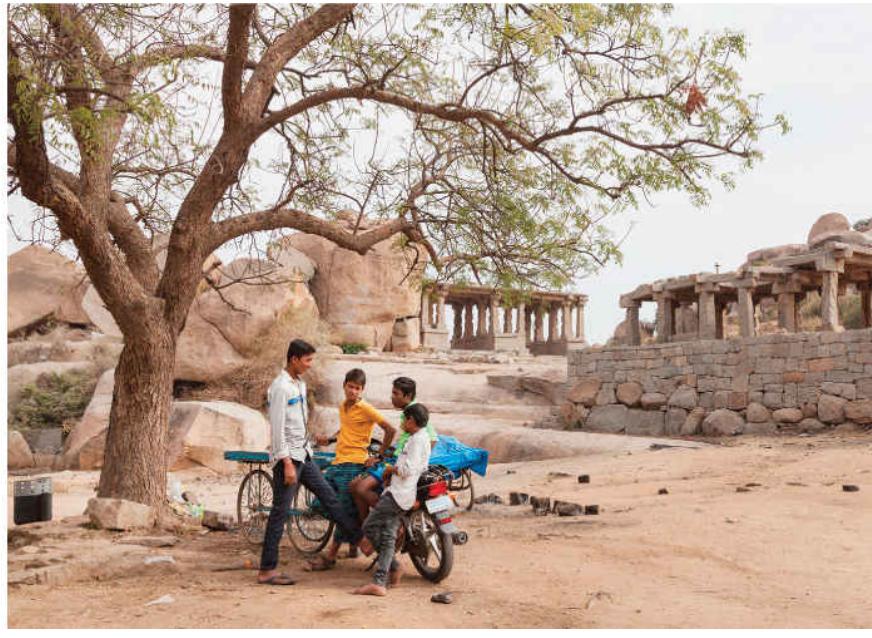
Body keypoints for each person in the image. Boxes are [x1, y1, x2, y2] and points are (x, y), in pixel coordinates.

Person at [257, 339, 367, 586]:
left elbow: (298, 424)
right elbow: (277, 429)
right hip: (289, 459)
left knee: (331, 499)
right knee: (280, 513)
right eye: (307, 360)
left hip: (304, 456)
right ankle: (267, 570)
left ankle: (361, 540)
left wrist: (312, 441)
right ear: (294, 359)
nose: (310, 364)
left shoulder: (299, 384)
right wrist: (286, 462)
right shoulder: (280, 388)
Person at [305, 368, 397, 571]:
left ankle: (331, 555)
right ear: (344, 386)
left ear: (362, 390)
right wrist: (330, 439)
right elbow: (346, 429)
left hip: (355, 464)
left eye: (357, 388)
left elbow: (390, 430)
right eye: (350, 387)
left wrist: (379, 456)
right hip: (338, 463)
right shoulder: (342, 406)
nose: (353, 391)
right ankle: (354, 544)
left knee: (342, 510)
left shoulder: (366, 408)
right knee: (319, 503)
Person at [353, 403, 432, 596]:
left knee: (369, 527)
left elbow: (407, 469)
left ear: (411, 420)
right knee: (388, 535)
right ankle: (384, 576)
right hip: (400, 493)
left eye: (404, 419)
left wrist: (390, 470)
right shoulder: (420, 438)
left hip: (398, 495)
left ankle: (388, 572)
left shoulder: (417, 441)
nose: (402, 422)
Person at [350, 377, 437, 523]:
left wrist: (416, 461)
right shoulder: (408, 413)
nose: (392, 397)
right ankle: (366, 526)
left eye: (396, 393)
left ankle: (387, 520)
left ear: (408, 396)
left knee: (360, 488)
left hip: (401, 466)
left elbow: (432, 439)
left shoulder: (415, 413)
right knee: (354, 485)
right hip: (397, 460)